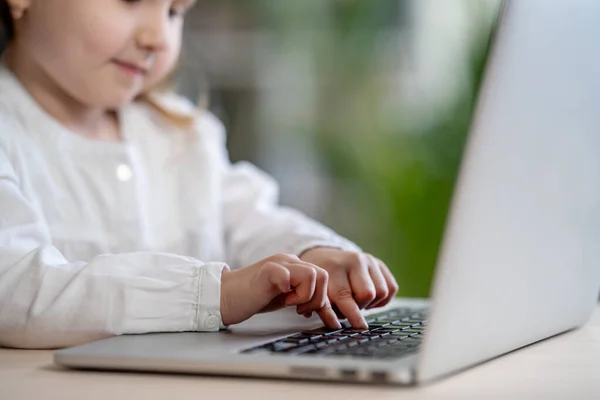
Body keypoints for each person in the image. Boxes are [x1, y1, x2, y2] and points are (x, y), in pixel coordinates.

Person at [0, 0, 398, 350]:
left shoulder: (183, 134)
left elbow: (248, 220)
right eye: (129, 0)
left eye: (175, 11)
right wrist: (214, 295)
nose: (157, 37)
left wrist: (314, 254)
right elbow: (16, 289)